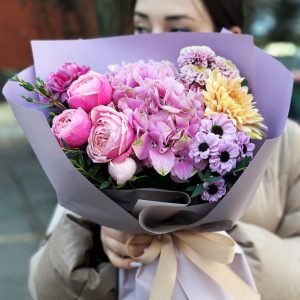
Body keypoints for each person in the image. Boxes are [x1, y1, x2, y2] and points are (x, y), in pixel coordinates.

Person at [29, 1, 300, 300]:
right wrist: (97, 236)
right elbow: (43, 286)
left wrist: (223, 242)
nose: (150, 41)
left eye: (179, 28)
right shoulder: (104, 135)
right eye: (142, 27)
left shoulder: (286, 141)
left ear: (230, 39)